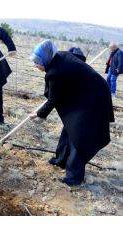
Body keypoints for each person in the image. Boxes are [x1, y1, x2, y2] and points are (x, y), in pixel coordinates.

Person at [29, 40, 114, 186]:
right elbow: (79, 56)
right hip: (84, 93)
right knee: (70, 125)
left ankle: (74, 178)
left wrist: (38, 114)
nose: (35, 66)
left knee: (79, 135)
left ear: (46, 59)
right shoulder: (59, 56)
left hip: (94, 97)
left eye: (38, 62)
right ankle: (61, 159)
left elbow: (53, 100)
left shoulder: (55, 72)